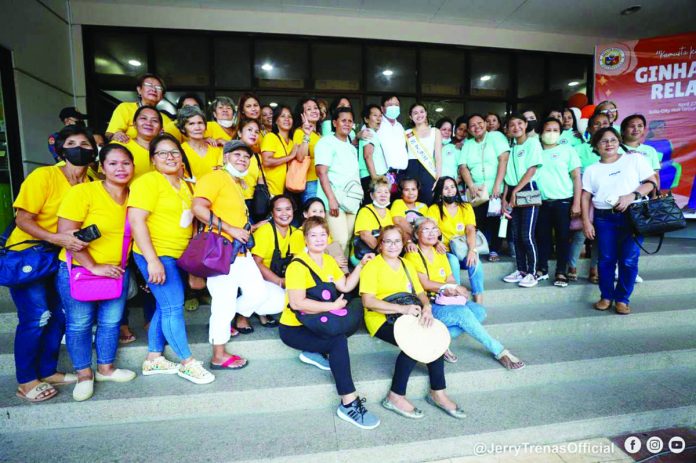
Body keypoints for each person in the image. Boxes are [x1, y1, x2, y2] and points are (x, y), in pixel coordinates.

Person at [6, 125, 95, 402]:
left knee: (60, 315)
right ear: (61, 149)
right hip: (31, 253)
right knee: (36, 317)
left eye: (85, 143)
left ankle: (47, 370)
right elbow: (23, 218)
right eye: (71, 142)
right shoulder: (44, 176)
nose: (79, 147)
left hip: (63, 256)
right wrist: (56, 238)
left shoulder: (91, 180)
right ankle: (26, 380)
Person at [128, 134, 214, 384]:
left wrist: (194, 265)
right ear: (153, 160)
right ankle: (187, 362)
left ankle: (154, 357)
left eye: (174, 152)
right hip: (155, 254)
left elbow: (194, 225)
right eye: (163, 153)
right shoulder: (147, 182)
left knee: (165, 305)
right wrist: (152, 261)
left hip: (180, 256)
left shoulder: (188, 186)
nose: (170, 157)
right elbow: (136, 221)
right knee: (173, 307)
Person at [280, 216, 380, 429]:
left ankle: (313, 352)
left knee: (349, 316)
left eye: (322, 235)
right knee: (338, 341)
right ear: (305, 239)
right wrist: (332, 307)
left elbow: (344, 286)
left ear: (328, 237)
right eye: (313, 235)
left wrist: (361, 265)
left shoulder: (329, 261)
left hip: (318, 322)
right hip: (295, 328)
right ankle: (348, 402)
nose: (318, 239)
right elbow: (297, 304)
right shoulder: (296, 265)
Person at [192, 140, 283, 370]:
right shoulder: (214, 178)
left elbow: (231, 218)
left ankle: (225, 321)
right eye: (237, 155)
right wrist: (232, 230)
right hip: (221, 251)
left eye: (246, 157)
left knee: (259, 292)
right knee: (223, 302)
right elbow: (199, 208)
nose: (243, 159)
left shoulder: (237, 184)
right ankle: (218, 354)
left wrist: (250, 227)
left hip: (241, 253)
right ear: (225, 158)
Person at [55, 143, 136, 401]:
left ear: (134, 167)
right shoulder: (84, 192)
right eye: (113, 163)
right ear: (101, 167)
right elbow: (65, 235)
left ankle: (105, 368)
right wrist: (92, 265)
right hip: (80, 270)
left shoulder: (135, 196)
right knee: (79, 325)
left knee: (111, 322)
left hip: (115, 271)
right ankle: (83, 375)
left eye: (125, 163)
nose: (120, 168)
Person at [361, 226, 465, 420]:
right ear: (380, 244)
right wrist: (402, 310)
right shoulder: (372, 266)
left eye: (397, 241)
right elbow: (368, 302)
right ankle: (395, 396)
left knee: (434, 337)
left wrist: (427, 307)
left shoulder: (406, 264)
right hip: (381, 318)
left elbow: (419, 293)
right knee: (415, 342)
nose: (393, 246)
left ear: (403, 243)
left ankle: (438, 392)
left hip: (408, 314)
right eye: (388, 241)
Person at [406, 217, 525, 368]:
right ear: (416, 235)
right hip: (429, 304)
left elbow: (449, 277)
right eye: (426, 230)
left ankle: (439, 340)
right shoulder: (413, 254)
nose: (431, 233)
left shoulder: (440, 252)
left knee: (479, 311)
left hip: (446, 300)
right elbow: (424, 283)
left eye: (434, 229)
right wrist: (449, 288)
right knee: (463, 313)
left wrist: (455, 289)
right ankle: (500, 350)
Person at [582, 127, 655, 315]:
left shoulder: (634, 159)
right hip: (604, 218)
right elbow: (585, 197)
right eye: (604, 141)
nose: (609, 144)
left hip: (632, 216)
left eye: (613, 140)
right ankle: (606, 296)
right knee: (606, 259)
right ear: (596, 145)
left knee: (629, 260)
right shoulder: (592, 169)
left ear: (619, 141)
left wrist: (632, 195)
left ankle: (622, 299)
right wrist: (586, 222)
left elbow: (651, 182)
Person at [535, 118, 581, 287]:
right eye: (548, 130)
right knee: (542, 237)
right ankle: (542, 268)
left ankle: (561, 271)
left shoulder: (567, 150)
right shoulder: (535, 151)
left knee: (563, 238)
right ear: (541, 133)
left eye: (555, 130)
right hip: (541, 203)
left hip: (563, 202)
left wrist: (576, 203)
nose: (552, 133)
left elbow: (576, 177)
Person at [459, 113, 510, 262]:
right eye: (472, 125)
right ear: (468, 130)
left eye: (480, 123)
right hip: (478, 190)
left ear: (486, 124)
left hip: (496, 187)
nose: (477, 127)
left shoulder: (496, 137)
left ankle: (494, 249)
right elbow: (463, 167)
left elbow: (503, 160)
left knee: (496, 220)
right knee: (476, 221)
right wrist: (471, 185)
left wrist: (496, 187)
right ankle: (478, 248)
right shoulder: (468, 144)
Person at [502, 113, 543, 288]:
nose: (516, 127)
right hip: (512, 190)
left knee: (527, 235)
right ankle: (521, 270)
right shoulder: (509, 148)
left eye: (520, 123)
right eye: (512, 125)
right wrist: (505, 196)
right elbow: (507, 176)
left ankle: (533, 273)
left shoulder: (532, 143)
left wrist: (515, 192)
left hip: (528, 190)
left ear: (526, 125)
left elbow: (532, 170)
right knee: (516, 235)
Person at [315, 107, 363, 256]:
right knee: (339, 241)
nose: (347, 124)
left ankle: (342, 275)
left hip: (351, 201)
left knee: (348, 241)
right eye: (343, 120)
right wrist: (331, 199)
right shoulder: (326, 142)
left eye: (350, 121)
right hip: (334, 201)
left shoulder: (351, 148)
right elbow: (321, 172)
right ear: (335, 123)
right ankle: (332, 277)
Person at [428, 177, 485, 303]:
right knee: (453, 261)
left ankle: (479, 299)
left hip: (463, 249)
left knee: (476, 262)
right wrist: (436, 242)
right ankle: (458, 296)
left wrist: (472, 250)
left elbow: (470, 230)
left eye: (453, 187)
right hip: (446, 250)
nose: (450, 191)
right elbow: (430, 230)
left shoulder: (466, 207)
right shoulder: (434, 209)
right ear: (440, 192)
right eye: (446, 188)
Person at [242, 195, 294, 332]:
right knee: (279, 301)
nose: (284, 214)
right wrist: (279, 281)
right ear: (272, 213)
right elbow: (256, 263)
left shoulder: (295, 232)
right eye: (279, 210)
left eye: (288, 209)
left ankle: (262, 313)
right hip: (257, 277)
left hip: (280, 277)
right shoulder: (265, 231)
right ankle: (240, 315)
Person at [569, 112, 610, 282]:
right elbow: (576, 176)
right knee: (580, 234)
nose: (601, 127)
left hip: (607, 199)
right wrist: (576, 201)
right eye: (597, 124)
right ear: (589, 128)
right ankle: (572, 265)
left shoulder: (613, 150)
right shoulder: (578, 149)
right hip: (585, 197)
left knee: (600, 236)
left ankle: (595, 268)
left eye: (605, 123)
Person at [105, 73, 177, 142]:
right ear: (139, 90)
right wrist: (116, 135)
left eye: (158, 87)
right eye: (149, 85)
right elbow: (110, 133)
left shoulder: (166, 119)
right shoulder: (125, 108)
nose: (153, 89)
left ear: (161, 96)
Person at [289, 197, 349, 272]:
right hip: (309, 273)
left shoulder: (326, 232)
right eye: (314, 211)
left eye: (321, 211)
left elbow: (328, 251)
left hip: (326, 270)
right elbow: (298, 262)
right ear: (305, 214)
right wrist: (332, 261)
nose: (318, 214)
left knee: (335, 247)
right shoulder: (298, 234)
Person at [404, 103, 442, 204]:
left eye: (421, 111)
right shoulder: (407, 133)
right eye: (415, 113)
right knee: (411, 202)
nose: (419, 115)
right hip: (411, 169)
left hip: (428, 171)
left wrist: (438, 177)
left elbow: (438, 156)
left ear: (426, 113)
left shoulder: (435, 131)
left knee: (429, 200)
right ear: (410, 117)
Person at [113, 105, 162, 180]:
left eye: (155, 120)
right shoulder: (119, 146)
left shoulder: (166, 151)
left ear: (161, 129)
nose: (148, 123)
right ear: (135, 124)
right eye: (143, 118)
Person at [352, 177, 394, 264]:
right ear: (372, 195)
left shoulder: (391, 213)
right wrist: (384, 254)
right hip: (364, 254)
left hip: (384, 253)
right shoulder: (365, 211)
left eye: (386, 192)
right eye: (379, 192)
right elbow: (364, 235)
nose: (383, 195)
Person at [178, 105, 223, 180]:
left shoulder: (216, 149)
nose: (197, 128)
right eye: (191, 124)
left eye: (200, 123)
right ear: (183, 129)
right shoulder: (179, 151)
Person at [260, 105, 297, 197]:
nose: (287, 119)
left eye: (289, 116)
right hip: (272, 191)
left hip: (290, 191)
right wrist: (290, 156)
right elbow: (267, 161)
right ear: (276, 120)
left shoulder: (293, 142)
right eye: (282, 116)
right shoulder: (271, 137)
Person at [292, 98, 322, 203]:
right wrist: (307, 135)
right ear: (302, 114)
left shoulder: (319, 134)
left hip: (323, 181)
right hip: (311, 182)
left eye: (316, 108)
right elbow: (300, 157)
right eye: (309, 109)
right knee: (313, 217)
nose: (314, 111)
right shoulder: (300, 132)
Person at [621, 114, 661, 190]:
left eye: (640, 126)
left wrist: (655, 197)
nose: (636, 129)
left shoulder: (650, 150)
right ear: (623, 130)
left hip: (646, 194)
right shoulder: (614, 149)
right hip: (624, 195)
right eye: (632, 126)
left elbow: (655, 175)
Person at [358, 104, 388, 201]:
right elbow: (367, 156)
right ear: (366, 119)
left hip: (373, 177)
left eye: (380, 116)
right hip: (371, 177)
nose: (378, 119)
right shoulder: (368, 133)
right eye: (375, 116)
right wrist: (375, 179)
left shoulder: (371, 133)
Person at [390, 177, 428, 244]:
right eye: (406, 190)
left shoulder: (423, 206)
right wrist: (419, 236)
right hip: (408, 242)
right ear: (401, 193)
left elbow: (429, 225)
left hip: (423, 241)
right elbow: (399, 221)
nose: (411, 193)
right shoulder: (398, 203)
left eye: (413, 189)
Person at [378, 95, 409, 176]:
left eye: (396, 105)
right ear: (382, 108)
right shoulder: (377, 125)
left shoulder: (400, 127)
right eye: (390, 105)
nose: (394, 107)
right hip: (384, 175)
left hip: (402, 173)